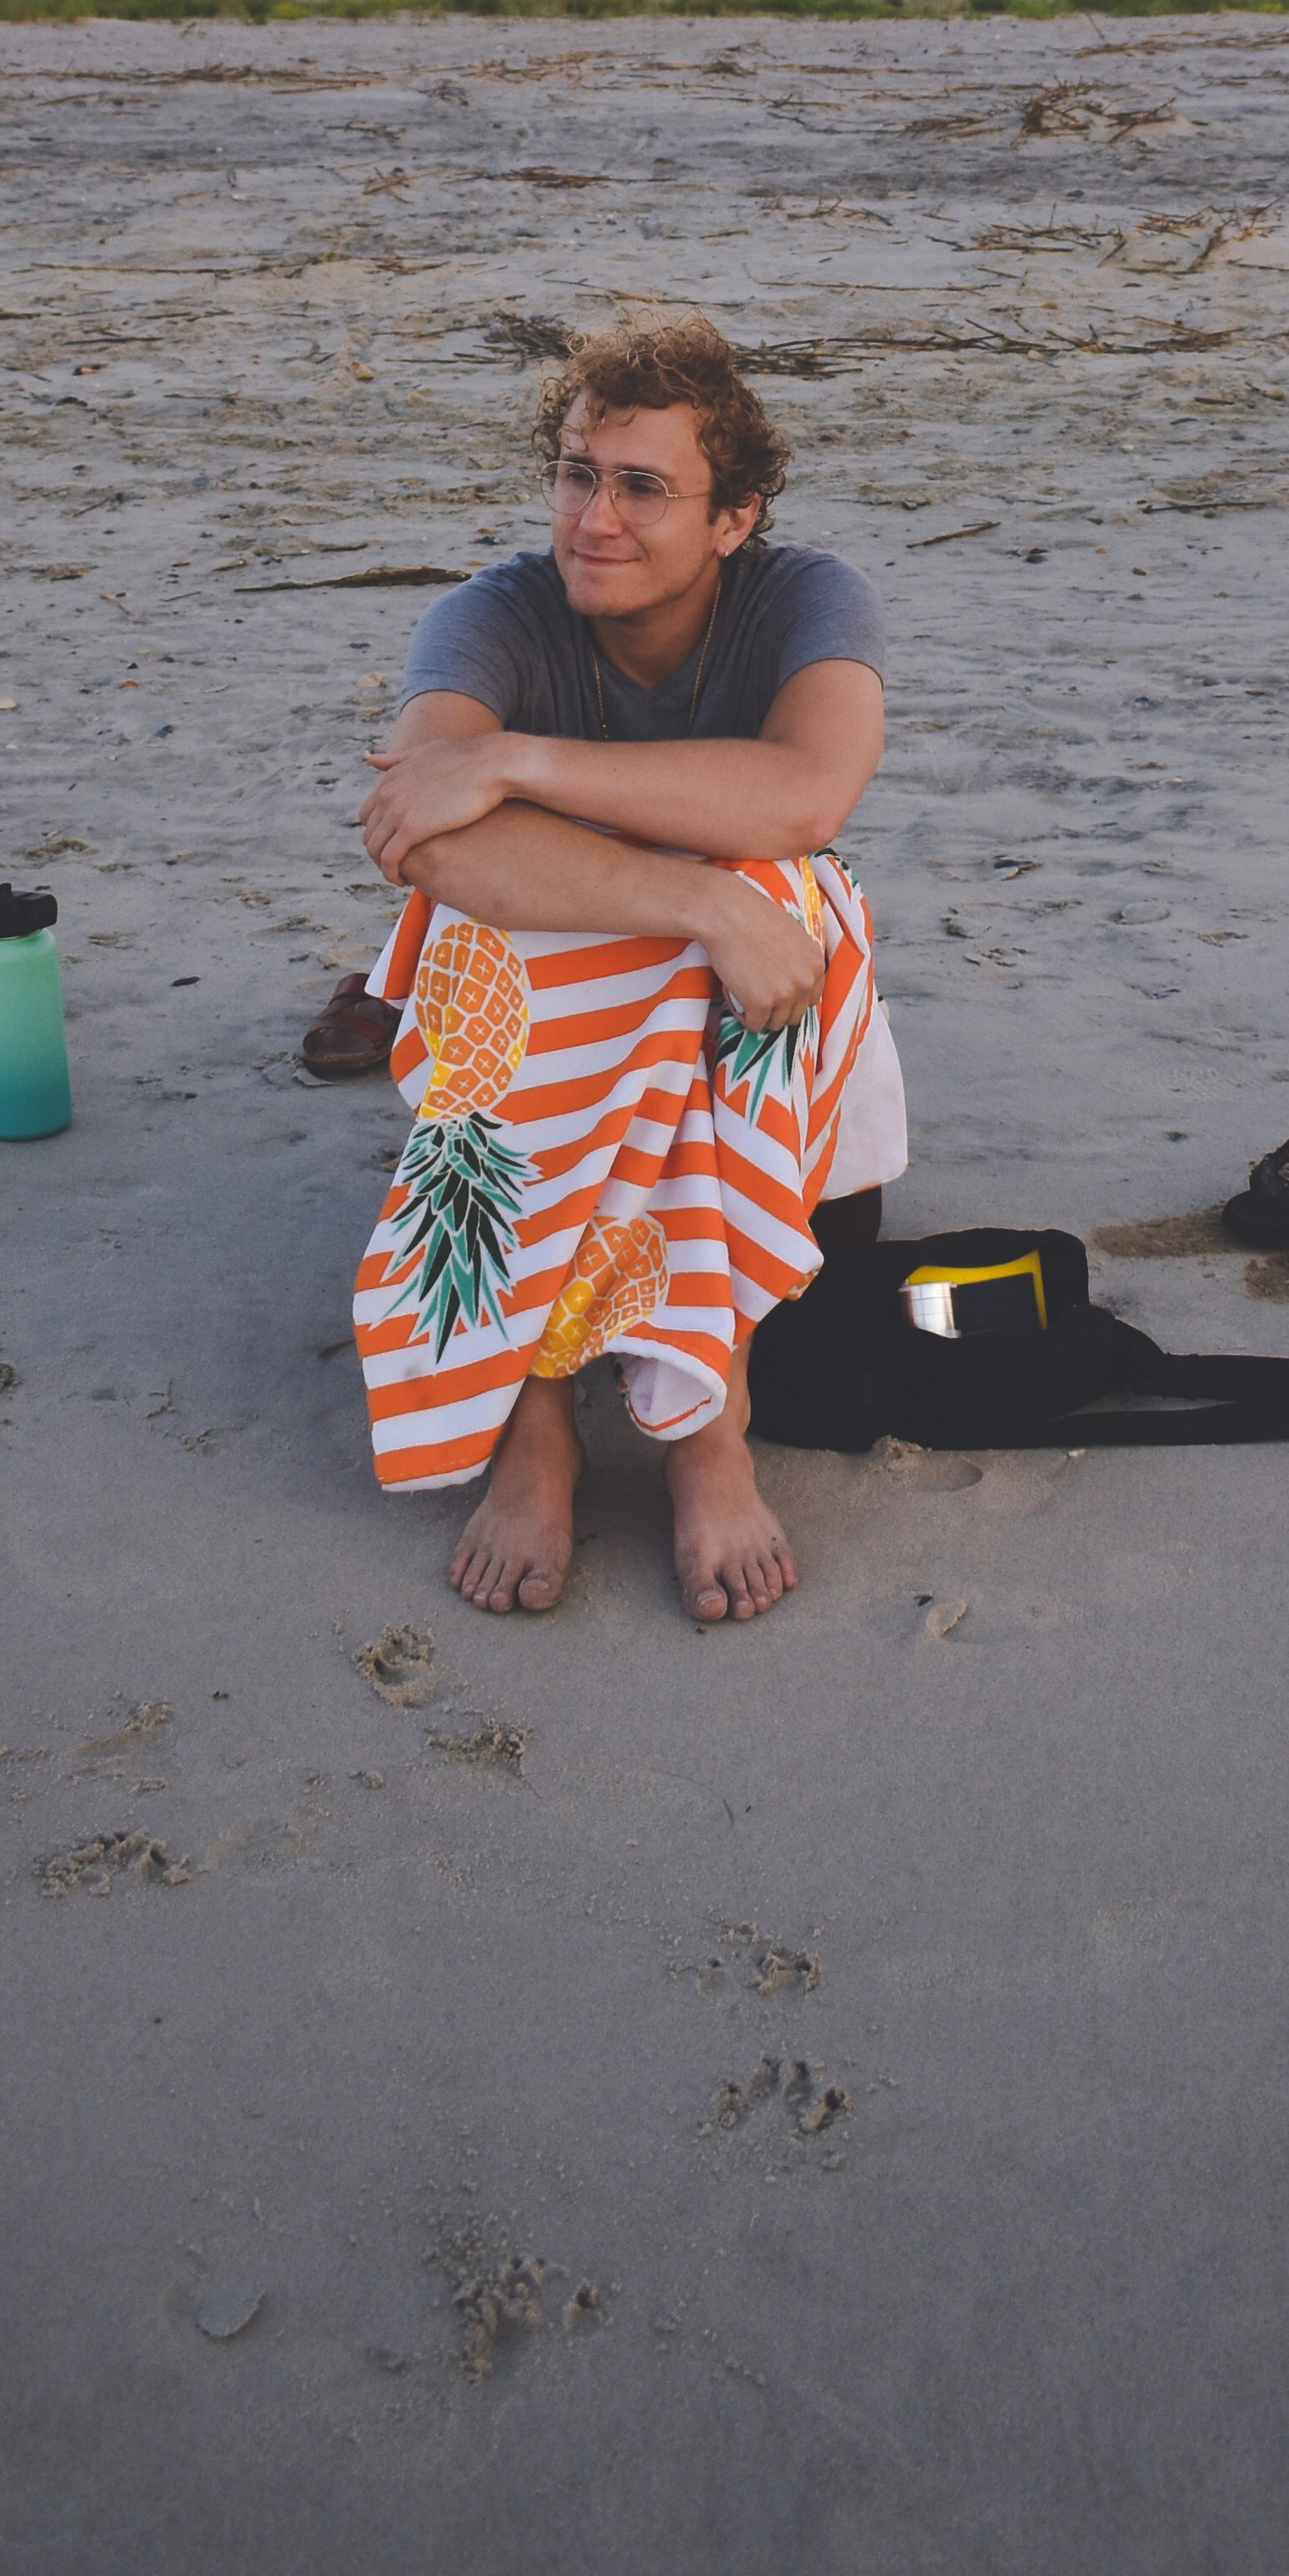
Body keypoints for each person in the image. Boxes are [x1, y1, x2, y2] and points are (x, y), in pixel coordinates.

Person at [346, 311, 901, 1628]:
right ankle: (535, 1422)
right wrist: (688, 896)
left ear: (733, 518)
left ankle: (712, 1423)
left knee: (781, 891)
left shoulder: (807, 598)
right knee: (488, 930)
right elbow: (423, 842)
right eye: (579, 475)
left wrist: (522, 763)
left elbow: (811, 790)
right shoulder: (497, 613)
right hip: (565, 1004)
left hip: (730, 1022)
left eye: (644, 486)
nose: (597, 518)